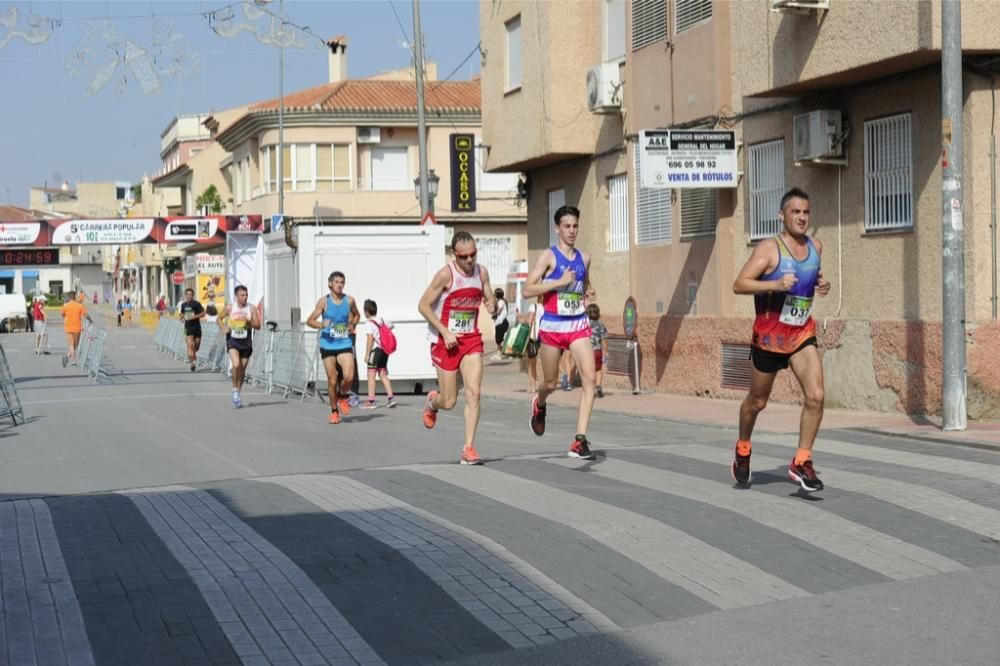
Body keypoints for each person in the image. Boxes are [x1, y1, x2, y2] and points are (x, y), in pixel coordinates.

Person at [732, 187, 831, 492]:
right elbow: (739, 284)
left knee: (816, 395)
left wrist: (820, 282)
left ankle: (801, 461)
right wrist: (774, 283)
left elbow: (809, 276)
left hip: (801, 333)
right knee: (757, 402)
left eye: (806, 212)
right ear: (782, 215)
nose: (802, 217)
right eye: (795, 212)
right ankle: (743, 448)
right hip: (769, 339)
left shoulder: (816, 245)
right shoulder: (769, 249)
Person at [524, 205, 597, 460]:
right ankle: (540, 403)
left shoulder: (584, 258)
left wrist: (586, 295)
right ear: (557, 229)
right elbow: (527, 290)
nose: (572, 231)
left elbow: (584, 283)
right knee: (551, 383)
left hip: (577, 324)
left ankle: (579, 440)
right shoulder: (548, 257)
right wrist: (557, 282)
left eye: (575, 226)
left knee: (590, 379)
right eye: (567, 226)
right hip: (553, 325)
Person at [418, 231, 497, 465]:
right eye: (465, 257)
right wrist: (444, 331)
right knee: (449, 401)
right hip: (445, 341)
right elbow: (423, 306)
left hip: (471, 338)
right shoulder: (445, 275)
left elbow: (488, 296)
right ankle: (433, 402)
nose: (470, 260)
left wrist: (491, 304)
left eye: (473, 254)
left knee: (474, 392)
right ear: (455, 255)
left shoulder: (481, 272)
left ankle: (468, 448)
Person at [307, 271, 361, 424]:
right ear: (330, 283)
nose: (339, 285)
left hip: (344, 342)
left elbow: (357, 315)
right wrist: (322, 324)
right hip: (327, 344)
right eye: (336, 282)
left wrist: (352, 324)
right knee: (332, 379)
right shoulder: (324, 302)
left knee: (349, 376)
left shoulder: (349, 301)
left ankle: (342, 395)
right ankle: (334, 411)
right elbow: (310, 321)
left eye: (342, 282)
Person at [219, 285, 260, 408]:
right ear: (236, 296)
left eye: (246, 295)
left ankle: (237, 392)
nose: (245, 297)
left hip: (246, 342)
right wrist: (223, 328)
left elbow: (258, 326)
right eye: (242, 295)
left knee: (242, 371)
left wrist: (250, 323)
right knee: (236, 365)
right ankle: (235, 390)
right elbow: (219, 319)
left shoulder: (251, 308)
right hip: (233, 340)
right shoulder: (230, 308)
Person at [360, 299, 396, 410]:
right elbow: (391, 325)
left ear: (366, 312)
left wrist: (367, 354)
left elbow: (370, 339)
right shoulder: (381, 320)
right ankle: (391, 399)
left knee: (371, 376)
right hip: (384, 350)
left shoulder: (369, 323)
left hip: (375, 351)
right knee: (383, 374)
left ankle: (371, 401)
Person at [61, 291, 93, 367]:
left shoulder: (65, 306)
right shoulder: (79, 306)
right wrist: (90, 320)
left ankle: (69, 357)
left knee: (72, 345)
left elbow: (62, 314)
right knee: (75, 345)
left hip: (68, 327)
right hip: (77, 328)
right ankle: (73, 360)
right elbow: (86, 314)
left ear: (69, 297)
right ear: (75, 297)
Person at [179, 288, 205, 372]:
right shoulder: (183, 305)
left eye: (190, 294)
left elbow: (203, 313)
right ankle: (192, 363)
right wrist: (181, 317)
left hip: (196, 327)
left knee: (196, 347)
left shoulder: (196, 304)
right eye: (187, 294)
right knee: (190, 344)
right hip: (188, 327)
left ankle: (193, 355)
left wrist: (194, 317)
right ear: (185, 295)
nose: (189, 296)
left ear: (192, 296)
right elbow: (182, 314)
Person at [588, 304, 608, 398]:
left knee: (588, 370)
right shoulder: (601, 325)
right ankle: (599, 386)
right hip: (597, 351)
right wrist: (605, 351)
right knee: (598, 369)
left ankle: (590, 389)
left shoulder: (584, 324)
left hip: (586, 351)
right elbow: (604, 340)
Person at [491, 288, 509, 360]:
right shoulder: (502, 301)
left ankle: (499, 355)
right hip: (502, 322)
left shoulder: (501, 302)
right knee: (500, 340)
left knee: (499, 340)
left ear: (496, 295)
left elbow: (498, 312)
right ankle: (500, 354)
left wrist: (493, 313)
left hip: (501, 322)